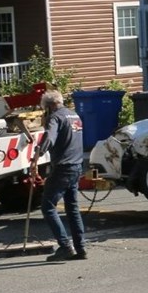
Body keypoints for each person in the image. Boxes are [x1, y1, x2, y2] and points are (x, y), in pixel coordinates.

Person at [38, 90, 86, 262]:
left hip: (63, 168)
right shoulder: (75, 116)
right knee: (72, 208)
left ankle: (65, 246)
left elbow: (49, 137)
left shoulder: (55, 117)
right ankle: (80, 248)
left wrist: (38, 154)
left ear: (50, 106)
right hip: (77, 165)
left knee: (48, 206)